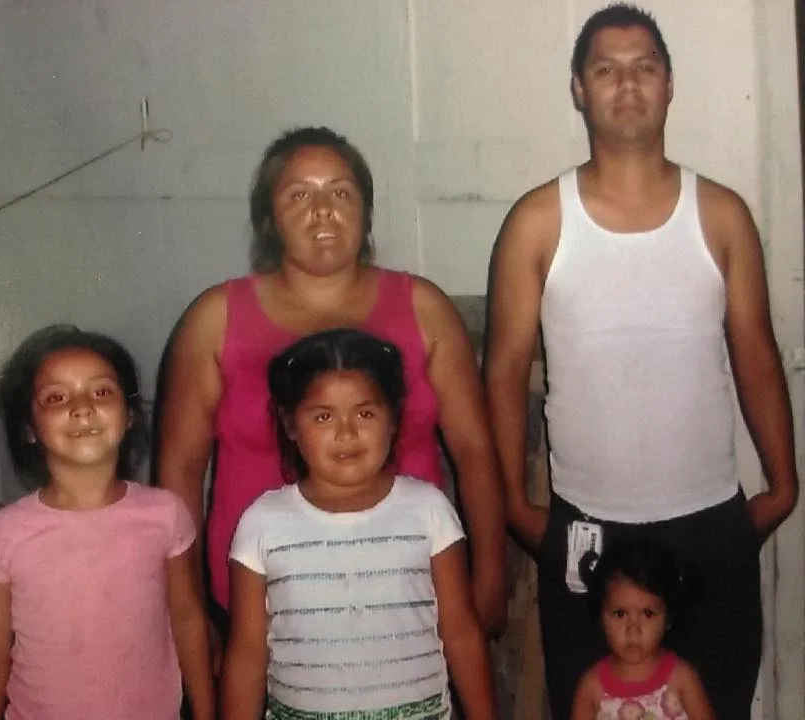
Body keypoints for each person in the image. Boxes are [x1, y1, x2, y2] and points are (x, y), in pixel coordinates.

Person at [483, 4, 798, 719]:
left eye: (644, 67)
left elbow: (756, 353)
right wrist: (514, 507)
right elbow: (502, 373)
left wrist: (783, 487)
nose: (627, 85)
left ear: (670, 84)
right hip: (589, 534)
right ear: (579, 89)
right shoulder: (538, 222)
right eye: (606, 69)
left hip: (709, 525)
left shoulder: (721, 216)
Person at [157, 126, 506, 640]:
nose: (323, 211)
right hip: (261, 608)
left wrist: (490, 577)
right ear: (269, 217)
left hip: (409, 596)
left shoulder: (424, 309)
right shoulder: (214, 320)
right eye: (299, 195)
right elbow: (180, 471)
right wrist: (187, 609)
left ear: (366, 210)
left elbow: (474, 450)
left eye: (340, 192)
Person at [220, 329, 498, 719]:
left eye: (365, 413)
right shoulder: (262, 524)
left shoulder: (429, 511)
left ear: (394, 419)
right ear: (290, 424)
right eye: (323, 416)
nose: (346, 433)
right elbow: (247, 656)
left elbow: (462, 634)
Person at [0, 325, 214, 720]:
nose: (82, 408)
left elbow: (188, 618)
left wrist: (206, 712)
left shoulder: (166, 514)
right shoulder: (1, 535)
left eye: (101, 392)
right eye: (56, 397)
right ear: (29, 427)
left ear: (129, 415)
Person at [571, 538, 714, 720]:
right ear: (600, 617)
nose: (633, 629)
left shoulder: (682, 678)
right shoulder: (591, 688)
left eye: (647, 613)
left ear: (668, 618)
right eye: (620, 614)